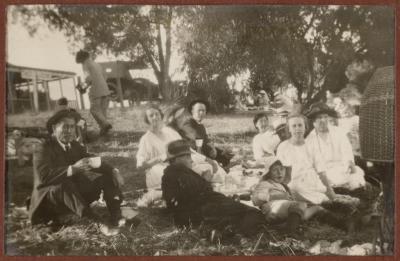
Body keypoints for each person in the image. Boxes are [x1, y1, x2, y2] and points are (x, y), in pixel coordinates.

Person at [28, 109, 126, 234]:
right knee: (63, 184)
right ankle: (97, 222)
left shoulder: (74, 145)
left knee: (106, 176)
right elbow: (44, 176)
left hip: (73, 198)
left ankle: (116, 216)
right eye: (65, 127)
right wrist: (73, 169)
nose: (69, 131)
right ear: (54, 128)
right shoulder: (43, 147)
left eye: (72, 127)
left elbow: (91, 159)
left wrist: (113, 170)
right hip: (50, 202)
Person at [162, 139, 265, 239]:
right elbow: (196, 196)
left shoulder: (172, 173)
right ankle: (231, 233)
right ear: (177, 159)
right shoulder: (178, 174)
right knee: (253, 213)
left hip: (197, 213)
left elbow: (181, 198)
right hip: (202, 212)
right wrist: (206, 181)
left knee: (241, 213)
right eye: (188, 156)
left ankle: (223, 230)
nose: (191, 160)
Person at [136, 105, 226, 206]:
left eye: (156, 114)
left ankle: (196, 190)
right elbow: (140, 165)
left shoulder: (169, 132)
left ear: (161, 116)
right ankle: (193, 191)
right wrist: (160, 157)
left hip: (180, 163)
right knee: (182, 177)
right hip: (160, 169)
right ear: (147, 120)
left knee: (207, 167)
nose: (155, 117)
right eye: (151, 116)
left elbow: (186, 149)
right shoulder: (146, 139)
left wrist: (206, 158)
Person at [276, 114, 336, 205]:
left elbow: (321, 171)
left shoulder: (312, 145)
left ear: (305, 127)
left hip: (312, 182)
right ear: (289, 129)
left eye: (300, 125)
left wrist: (329, 190)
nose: (297, 129)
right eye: (294, 126)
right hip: (293, 184)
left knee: (327, 201)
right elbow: (280, 173)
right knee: (297, 196)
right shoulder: (283, 147)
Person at [252, 156, 323, 232]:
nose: (279, 172)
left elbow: (301, 199)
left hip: (290, 212)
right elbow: (256, 199)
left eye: (282, 169)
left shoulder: (285, 187)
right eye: (275, 170)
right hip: (273, 211)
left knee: (318, 208)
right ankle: (290, 230)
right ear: (268, 173)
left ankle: (336, 222)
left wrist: (313, 203)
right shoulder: (265, 183)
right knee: (298, 205)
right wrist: (276, 196)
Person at [305, 102, 366, 191]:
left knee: (356, 176)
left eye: (325, 117)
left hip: (343, 168)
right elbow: (313, 165)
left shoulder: (339, 132)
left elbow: (347, 153)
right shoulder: (309, 140)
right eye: (319, 118)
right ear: (313, 121)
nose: (323, 120)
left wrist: (350, 166)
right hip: (325, 173)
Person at [176, 99, 233, 168]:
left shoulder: (201, 126)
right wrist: (212, 150)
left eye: (203, 111)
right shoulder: (188, 124)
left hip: (203, 151)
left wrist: (221, 151)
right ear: (192, 111)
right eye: (199, 110)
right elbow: (197, 141)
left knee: (226, 157)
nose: (201, 113)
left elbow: (206, 142)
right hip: (193, 154)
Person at [75, 50, 112, 136]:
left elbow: (89, 79)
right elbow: (105, 76)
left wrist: (83, 87)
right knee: (102, 112)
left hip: (95, 90)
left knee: (94, 110)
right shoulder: (97, 64)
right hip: (105, 89)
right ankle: (104, 130)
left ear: (81, 58)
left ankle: (106, 125)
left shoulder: (85, 64)